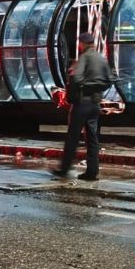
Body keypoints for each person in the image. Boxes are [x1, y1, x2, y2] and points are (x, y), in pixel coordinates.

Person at [54, 32, 113, 181]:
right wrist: (96, 88)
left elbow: (76, 77)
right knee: (92, 139)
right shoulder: (101, 58)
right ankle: (92, 172)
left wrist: (75, 92)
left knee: (72, 137)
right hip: (95, 104)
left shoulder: (84, 57)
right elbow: (110, 79)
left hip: (82, 103)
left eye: (79, 43)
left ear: (83, 43)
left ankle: (65, 168)